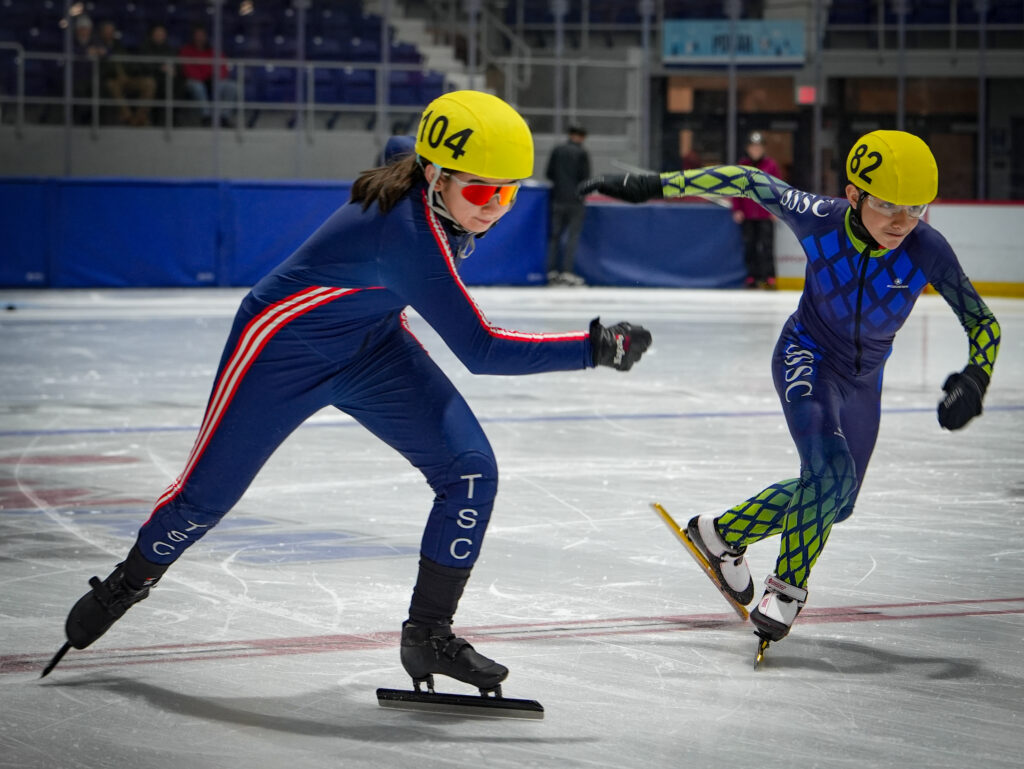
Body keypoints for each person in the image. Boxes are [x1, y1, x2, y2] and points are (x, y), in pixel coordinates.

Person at [46, 91, 653, 693]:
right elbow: (482, 349)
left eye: (509, 191)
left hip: (371, 345)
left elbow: (397, 147)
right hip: (279, 351)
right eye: (481, 191)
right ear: (436, 175)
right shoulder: (408, 237)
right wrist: (593, 346)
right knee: (203, 501)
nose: (495, 208)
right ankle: (128, 582)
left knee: (469, 471)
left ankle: (429, 636)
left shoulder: (421, 172)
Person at [579, 130, 1000, 653]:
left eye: (915, 207)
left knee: (835, 503)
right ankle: (786, 589)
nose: (901, 221)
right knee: (830, 476)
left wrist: (976, 377)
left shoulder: (927, 248)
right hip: (807, 356)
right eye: (888, 204)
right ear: (854, 194)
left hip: (864, 383)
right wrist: (655, 184)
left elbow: (984, 324)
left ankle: (721, 533)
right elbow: (750, 181)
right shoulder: (819, 217)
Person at [732, 131, 782, 289]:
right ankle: (751, 276)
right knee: (750, 245)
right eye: (753, 147)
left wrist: (776, 209)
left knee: (767, 245)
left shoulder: (771, 165)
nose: (756, 150)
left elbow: (777, 189)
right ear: (748, 148)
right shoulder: (742, 165)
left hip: (765, 213)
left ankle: (769, 276)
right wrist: (737, 209)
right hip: (747, 213)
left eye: (758, 147)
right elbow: (737, 189)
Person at [545, 124, 591, 286]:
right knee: (572, 236)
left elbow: (549, 173)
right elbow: (585, 177)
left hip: (557, 198)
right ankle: (567, 272)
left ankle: (551, 271)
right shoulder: (582, 153)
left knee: (554, 236)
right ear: (581, 137)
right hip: (575, 200)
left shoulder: (557, 150)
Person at [96, 20, 156, 126]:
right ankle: (127, 116)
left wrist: (132, 72)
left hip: (128, 78)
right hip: (113, 79)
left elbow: (129, 63)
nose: (109, 34)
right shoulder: (97, 46)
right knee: (111, 85)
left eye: (111, 31)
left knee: (149, 83)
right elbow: (101, 70)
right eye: (106, 31)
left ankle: (139, 116)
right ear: (101, 33)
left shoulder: (119, 45)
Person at [179, 23, 239, 126]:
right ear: (193, 37)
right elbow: (187, 69)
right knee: (197, 87)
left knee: (232, 87)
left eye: (202, 35)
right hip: (195, 81)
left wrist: (213, 77)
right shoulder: (186, 50)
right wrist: (204, 77)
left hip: (213, 81)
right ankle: (206, 117)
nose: (200, 38)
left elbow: (223, 68)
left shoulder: (213, 51)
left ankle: (224, 117)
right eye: (197, 35)